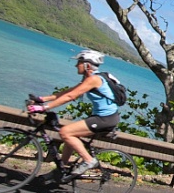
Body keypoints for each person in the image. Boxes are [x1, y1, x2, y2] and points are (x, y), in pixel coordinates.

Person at [27, 49, 120, 182]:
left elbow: (71, 96)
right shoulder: (89, 78)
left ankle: (89, 161)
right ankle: (61, 170)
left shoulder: (94, 79)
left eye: (79, 62)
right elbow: (68, 92)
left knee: (65, 132)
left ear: (87, 65)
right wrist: (42, 99)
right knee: (71, 135)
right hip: (101, 117)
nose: (76, 65)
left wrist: (43, 108)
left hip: (105, 119)